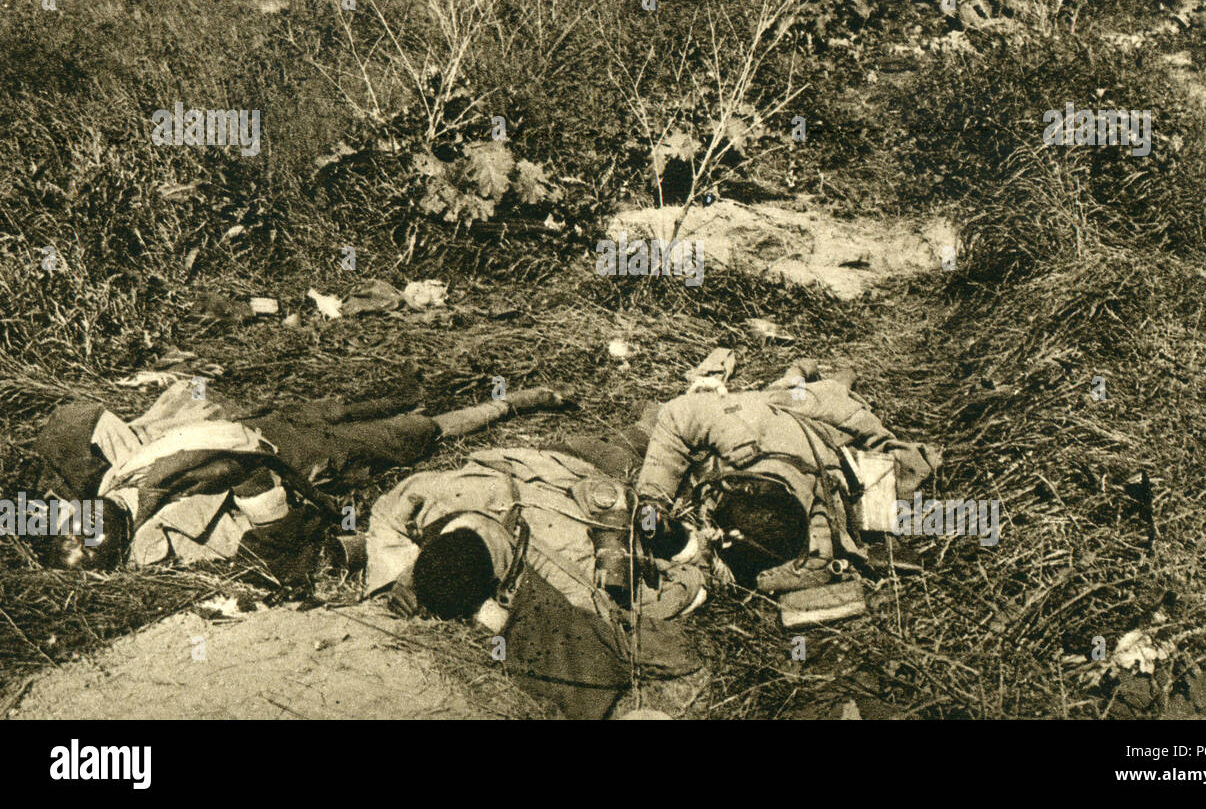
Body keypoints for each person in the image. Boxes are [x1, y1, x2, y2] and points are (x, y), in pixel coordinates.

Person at [28, 379, 564, 578]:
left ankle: (459, 383)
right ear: (113, 550)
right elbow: (262, 527)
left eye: (69, 528)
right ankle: (513, 404)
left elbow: (77, 419)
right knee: (411, 433)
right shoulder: (161, 536)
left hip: (270, 428)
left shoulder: (114, 478)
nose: (78, 529)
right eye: (85, 544)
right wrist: (256, 488)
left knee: (375, 400)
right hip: (304, 464)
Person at [365, 440, 708, 719]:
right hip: (552, 468)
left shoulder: (577, 577)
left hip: (573, 472)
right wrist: (401, 573)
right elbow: (385, 512)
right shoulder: (432, 495)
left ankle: (683, 534)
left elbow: (682, 590)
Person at [634, 358, 942, 587]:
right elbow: (676, 414)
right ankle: (807, 369)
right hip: (779, 408)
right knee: (795, 389)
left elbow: (816, 565)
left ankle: (825, 371)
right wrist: (652, 500)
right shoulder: (735, 430)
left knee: (833, 393)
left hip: (817, 424)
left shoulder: (823, 518)